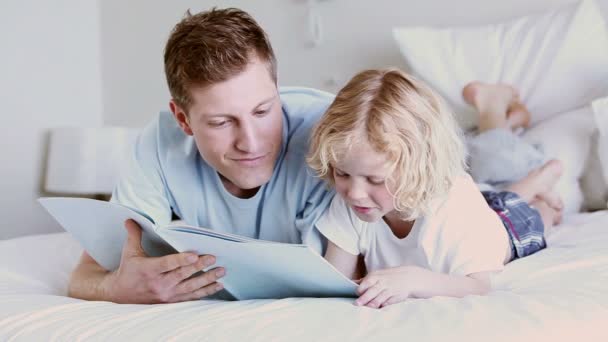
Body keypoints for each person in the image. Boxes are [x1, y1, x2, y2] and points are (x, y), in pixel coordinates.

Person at [67, 8, 335, 304]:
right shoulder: (157, 145)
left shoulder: (334, 135)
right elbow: (85, 276)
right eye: (221, 122)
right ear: (183, 119)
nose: (250, 142)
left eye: (263, 111)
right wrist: (114, 288)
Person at [307, 69, 563, 309]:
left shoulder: (453, 205)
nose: (354, 192)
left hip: (506, 228)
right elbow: (336, 279)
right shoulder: (353, 201)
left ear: (418, 169)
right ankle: (529, 178)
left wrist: (413, 280)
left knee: (533, 216)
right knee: (495, 196)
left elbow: (479, 285)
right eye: (342, 174)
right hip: (474, 208)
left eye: (374, 180)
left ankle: (541, 188)